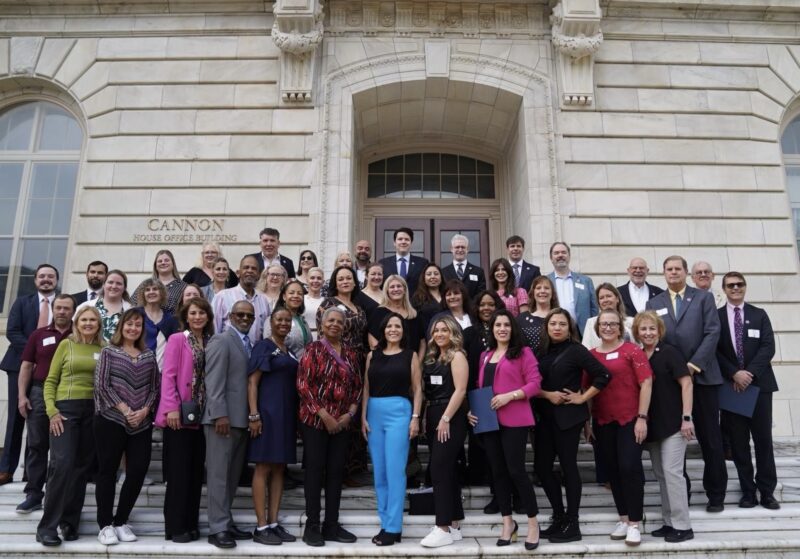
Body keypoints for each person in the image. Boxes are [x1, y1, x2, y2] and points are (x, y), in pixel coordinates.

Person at [646, 255, 726, 512]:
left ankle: (716, 494)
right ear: (663, 273)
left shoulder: (703, 298)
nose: (673, 273)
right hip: (669, 383)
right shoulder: (653, 302)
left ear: (685, 272)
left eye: (677, 269)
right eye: (668, 269)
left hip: (702, 378)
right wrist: (676, 370)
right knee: (673, 440)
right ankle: (683, 495)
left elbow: (713, 332)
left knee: (710, 439)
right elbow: (653, 338)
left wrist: (692, 365)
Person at [533, 308, 610, 544]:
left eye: (562, 324)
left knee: (569, 467)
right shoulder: (539, 351)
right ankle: (558, 517)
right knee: (542, 468)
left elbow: (603, 375)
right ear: (546, 327)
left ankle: (573, 522)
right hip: (543, 418)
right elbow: (531, 382)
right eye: (553, 323)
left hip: (568, 419)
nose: (557, 327)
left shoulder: (577, 350)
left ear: (570, 328)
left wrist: (582, 398)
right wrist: (547, 395)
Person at [469, 309, 542, 550]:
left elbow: (534, 384)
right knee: (497, 473)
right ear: (491, 329)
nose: (502, 328)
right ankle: (508, 523)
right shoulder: (485, 355)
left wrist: (510, 396)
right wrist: (474, 410)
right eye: (497, 325)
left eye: (506, 325)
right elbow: (482, 387)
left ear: (513, 328)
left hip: (515, 420)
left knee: (516, 471)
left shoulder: (523, 352)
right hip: (489, 421)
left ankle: (533, 523)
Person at [36, 305, 104, 547]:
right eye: (84, 319)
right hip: (65, 411)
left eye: (92, 320)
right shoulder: (66, 345)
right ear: (77, 323)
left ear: (98, 324)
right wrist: (52, 411)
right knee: (62, 465)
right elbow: (50, 380)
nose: (88, 323)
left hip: (92, 411)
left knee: (81, 468)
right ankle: (47, 527)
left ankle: (70, 522)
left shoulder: (103, 348)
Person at [93, 308, 159, 545]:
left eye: (138, 325)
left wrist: (143, 411)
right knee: (107, 471)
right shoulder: (109, 352)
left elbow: (154, 388)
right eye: (129, 324)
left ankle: (121, 520)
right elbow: (102, 385)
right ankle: (104, 525)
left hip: (140, 423)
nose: (133, 328)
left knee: (138, 469)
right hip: (111, 419)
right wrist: (125, 409)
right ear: (121, 326)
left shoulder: (149, 355)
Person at [588, 309, 653, 547]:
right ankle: (624, 519)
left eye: (612, 324)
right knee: (612, 470)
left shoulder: (632, 351)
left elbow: (646, 383)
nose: (608, 327)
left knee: (629, 467)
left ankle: (635, 523)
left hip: (631, 420)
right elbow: (588, 392)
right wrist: (587, 423)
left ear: (620, 327)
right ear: (597, 328)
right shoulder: (591, 355)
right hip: (603, 421)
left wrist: (642, 417)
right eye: (603, 324)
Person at [297, 307, 362, 547]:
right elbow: (304, 385)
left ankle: (331, 525)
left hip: (343, 422)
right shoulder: (312, 350)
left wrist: (350, 414)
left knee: (336, 473)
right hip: (315, 421)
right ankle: (312, 525)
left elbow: (358, 386)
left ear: (344, 326)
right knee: (315, 472)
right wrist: (325, 416)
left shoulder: (352, 354)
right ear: (322, 325)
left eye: (339, 321)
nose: (335, 324)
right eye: (330, 321)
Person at [717, 272, 780, 510]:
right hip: (733, 388)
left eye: (739, 284)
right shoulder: (717, 317)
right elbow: (715, 351)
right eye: (730, 285)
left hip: (760, 387)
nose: (735, 288)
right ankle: (748, 492)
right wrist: (734, 373)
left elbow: (768, 347)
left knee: (763, 441)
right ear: (724, 289)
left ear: (745, 287)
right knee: (739, 443)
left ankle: (767, 492)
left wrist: (748, 374)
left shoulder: (759, 314)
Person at [155, 298, 214, 544]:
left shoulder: (211, 341)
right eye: (193, 313)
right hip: (179, 415)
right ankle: (176, 527)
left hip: (201, 417)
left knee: (194, 474)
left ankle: (190, 523)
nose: (198, 316)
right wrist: (171, 409)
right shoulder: (178, 339)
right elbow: (168, 375)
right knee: (178, 475)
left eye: (202, 313)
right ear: (186, 316)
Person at [362, 313, 422, 546]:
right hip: (374, 413)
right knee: (380, 472)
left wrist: (415, 418)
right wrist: (363, 419)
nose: (393, 329)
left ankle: (394, 527)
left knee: (395, 471)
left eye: (398, 326)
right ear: (383, 330)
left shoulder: (411, 355)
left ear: (402, 331)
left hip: (400, 412)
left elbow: (417, 390)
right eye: (389, 326)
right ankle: (386, 522)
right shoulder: (372, 355)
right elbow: (366, 388)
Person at [634, 310, 695, 543]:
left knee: (672, 474)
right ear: (637, 332)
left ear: (659, 331)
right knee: (661, 475)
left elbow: (687, 384)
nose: (648, 333)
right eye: (643, 329)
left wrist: (687, 417)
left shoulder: (669, 352)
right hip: (653, 426)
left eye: (652, 329)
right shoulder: (638, 355)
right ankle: (669, 522)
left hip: (674, 425)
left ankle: (683, 526)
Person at [203, 300, 256, 548]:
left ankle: (226, 520)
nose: (245, 319)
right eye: (240, 314)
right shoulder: (221, 340)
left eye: (249, 316)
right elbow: (213, 380)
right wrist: (218, 414)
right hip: (222, 421)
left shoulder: (247, 344)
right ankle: (217, 528)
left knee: (232, 476)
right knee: (218, 475)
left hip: (241, 420)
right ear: (230, 316)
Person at [0, 263, 60, 486]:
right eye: (42, 276)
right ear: (35, 280)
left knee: (39, 421)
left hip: (50, 370)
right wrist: (33, 354)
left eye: (51, 276)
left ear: (57, 280)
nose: (46, 279)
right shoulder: (22, 302)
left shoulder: (63, 305)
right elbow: (12, 331)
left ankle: (30, 473)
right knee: (16, 418)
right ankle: (6, 469)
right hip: (19, 366)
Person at [16, 293, 74, 513]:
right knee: (37, 444)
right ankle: (33, 493)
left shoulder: (78, 335)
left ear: (73, 311)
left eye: (66, 308)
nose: (61, 311)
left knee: (63, 448)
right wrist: (22, 395)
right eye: (58, 307)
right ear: (53, 309)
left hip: (68, 395)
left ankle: (56, 492)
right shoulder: (38, 335)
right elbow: (26, 366)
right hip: (39, 393)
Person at [247, 308, 299, 545]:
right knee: (263, 467)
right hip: (267, 414)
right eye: (279, 319)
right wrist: (254, 414)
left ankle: (274, 522)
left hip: (286, 416)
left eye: (288, 320)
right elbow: (252, 382)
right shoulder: (264, 346)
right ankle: (261, 526)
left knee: (279, 468)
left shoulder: (290, 351)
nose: (284, 323)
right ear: (271, 322)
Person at [419, 316, 468, 548]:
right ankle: (455, 524)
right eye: (436, 330)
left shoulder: (457, 356)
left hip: (450, 416)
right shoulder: (431, 357)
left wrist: (446, 418)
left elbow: (460, 390)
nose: (439, 334)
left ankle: (443, 526)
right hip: (434, 414)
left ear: (453, 333)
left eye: (444, 330)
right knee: (446, 469)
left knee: (438, 468)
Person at [212, 255, 270, 340]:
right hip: (229, 351)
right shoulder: (222, 297)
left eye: (253, 268)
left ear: (258, 274)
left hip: (256, 351)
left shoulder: (263, 300)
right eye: (246, 267)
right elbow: (214, 330)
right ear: (238, 273)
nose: (250, 271)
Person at [546, 242, 597, 336]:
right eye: (556, 253)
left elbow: (594, 309)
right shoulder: (545, 281)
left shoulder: (585, 281)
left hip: (582, 332)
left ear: (569, 256)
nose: (560, 255)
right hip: (555, 332)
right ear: (551, 258)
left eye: (563, 252)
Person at [368, 275, 426, 357]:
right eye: (392, 287)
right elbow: (373, 342)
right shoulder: (379, 312)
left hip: (412, 364)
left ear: (405, 290)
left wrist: (418, 364)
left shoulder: (414, 314)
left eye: (399, 286)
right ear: (387, 291)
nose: (396, 289)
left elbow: (422, 343)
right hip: (387, 364)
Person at [316, 266, 368, 358]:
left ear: (355, 282)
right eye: (340, 279)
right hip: (338, 358)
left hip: (360, 359)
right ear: (335, 284)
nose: (345, 282)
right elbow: (322, 335)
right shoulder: (328, 304)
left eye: (349, 278)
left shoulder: (358, 307)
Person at [76, 269, 133, 342]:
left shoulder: (131, 310)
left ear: (124, 287)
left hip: (119, 352)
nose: (114, 286)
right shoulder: (85, 306)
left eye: (119, 283)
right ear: (103, 285)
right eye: (110, 282)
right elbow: (75, 330)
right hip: (89, 350)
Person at [136, 278, 179, 367]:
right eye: (147, 290)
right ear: (143, 295)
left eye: (155, 289)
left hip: (162, 371)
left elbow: (175, 347)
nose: (151, 292)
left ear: (162, 293)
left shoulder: (170, 319)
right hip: (138, 367)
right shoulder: (135, 314)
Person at [263, 279, 312, 358]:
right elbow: (269, 346)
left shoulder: (303, 321)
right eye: (291, 293)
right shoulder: (272, 320)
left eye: (300, 294)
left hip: (302, 367)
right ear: (284, 297)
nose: (296, 296)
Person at [379, 227, 429, 295]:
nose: (403, 242)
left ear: (411, 243)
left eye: (407, 239)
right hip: (391, 303)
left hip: (415, 304)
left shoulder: (422, 263)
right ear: (394, 242)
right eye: (400, 239)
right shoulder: (383, 263)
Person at [582, 283, 634, 349]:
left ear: (617, 299)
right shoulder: (591, 323)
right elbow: (586, 348)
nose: (605, 300)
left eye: (609, 296)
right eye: (601, 298)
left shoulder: (632, 321)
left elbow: (638, 346)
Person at [518, 276, 559, 356]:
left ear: (552, 293)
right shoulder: (521, 319)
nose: (542, 291)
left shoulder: (561, 317)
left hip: (556, 364)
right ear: (533, 293)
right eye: (538, 288)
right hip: (529, 365)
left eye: (546, 288)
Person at [442, 234, 486, 299]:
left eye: (463, 247)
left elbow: (481, 295)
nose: (460, 250)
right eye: (457, 247)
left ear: (467, 249)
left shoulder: (478, 272)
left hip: (472, 308)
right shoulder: (443, 272)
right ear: (451, 249)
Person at [411, 262, 446, 328]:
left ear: (441, 277)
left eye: (436, 274)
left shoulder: (448, 295)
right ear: (424, 278)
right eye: (429, 274)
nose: (433, 277)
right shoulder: (417, 298)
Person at [303, 267, 326, 340]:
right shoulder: (300, 299)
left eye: (319, 278)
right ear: (307, 280)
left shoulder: (327, 302)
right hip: (303, 338)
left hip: (322, 340)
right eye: (312, 278)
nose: (315, 281)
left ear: (323, 282)